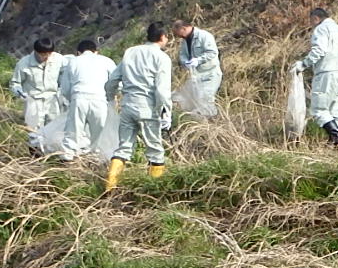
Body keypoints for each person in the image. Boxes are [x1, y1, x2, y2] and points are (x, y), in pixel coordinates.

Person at [105, 22, 173, 190]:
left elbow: (113, 80)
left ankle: (110, 186)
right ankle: (153, 190)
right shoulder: (162, 58)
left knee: (123, 148)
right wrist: (166, 113)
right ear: (162, 37)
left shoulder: (131, 52)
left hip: (127, 106)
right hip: (148, 108)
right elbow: (162, 90)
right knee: (155, 150)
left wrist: (110, 97)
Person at [292, 7, 338, 147]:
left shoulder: (320, 30)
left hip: (327, 73)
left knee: (319, 109)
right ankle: (335, 142)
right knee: (335, 110)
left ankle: (335, 138)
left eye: (311, 21)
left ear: (315, 18)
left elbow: (319, 50)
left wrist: (304, 64)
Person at [55, 39, 114, 161]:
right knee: (97, 134)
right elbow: (115, 82)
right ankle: (94, 158)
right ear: (96, 52)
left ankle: (67, 159)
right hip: (99, 99)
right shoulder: (106, 61)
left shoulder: (73, 62)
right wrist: (110, 97)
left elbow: (65, 88)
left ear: (78, 52)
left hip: (79, 98)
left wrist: (72, 100)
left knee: (73, 132)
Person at [9, 38, 65, 152]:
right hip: (33, 101)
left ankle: (52, 154)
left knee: (54, 127)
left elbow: (65, 77)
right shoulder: (24, 63)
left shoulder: (59, 60)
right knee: (34, 130)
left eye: (49, 54)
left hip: (53, 99)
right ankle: (35, 156)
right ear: (36, 52)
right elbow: (15, 83)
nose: (46, 57)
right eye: (43, 54)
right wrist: (21, 94)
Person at [174, 20, 222, 118]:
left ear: (183, 28)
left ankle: (213, 123)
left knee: (206, 99)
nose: (179, 36)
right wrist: (185, 62)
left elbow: (212, 52)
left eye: (179, 33)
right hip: (196, 76)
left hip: (210, 74)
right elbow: (182, 54)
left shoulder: (204, 36)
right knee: (189, 99)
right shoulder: (184, 41)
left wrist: (198, 60)